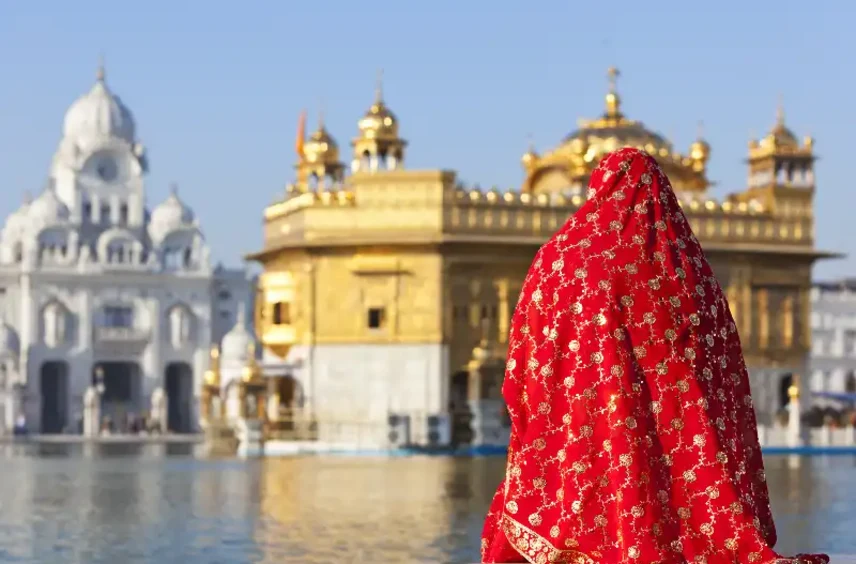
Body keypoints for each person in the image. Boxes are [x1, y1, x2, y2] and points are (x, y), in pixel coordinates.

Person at [480, 148, 828, 564]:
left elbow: (524, 350)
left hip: (576, 416)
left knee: (583, 477)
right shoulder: (683, 265)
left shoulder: (558, 258)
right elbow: (716, 365)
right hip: (658, 427)